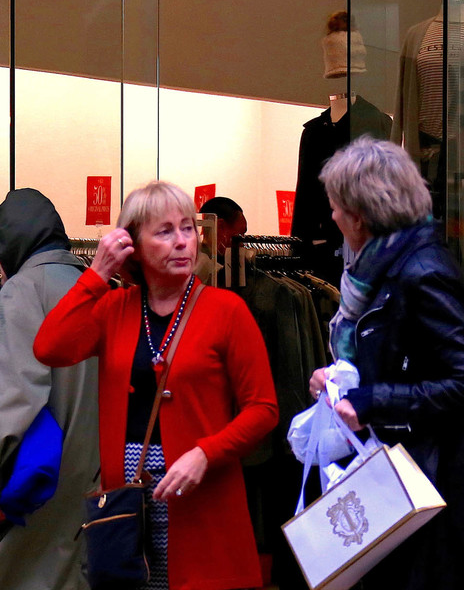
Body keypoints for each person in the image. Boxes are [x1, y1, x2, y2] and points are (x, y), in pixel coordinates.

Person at [33, 180, 278, 590]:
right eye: (164, 232)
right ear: (133, 244)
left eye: (187, 228)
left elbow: (264, 408)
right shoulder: (114, 308)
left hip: (201, 496)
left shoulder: (227, 310)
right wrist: (97, 274)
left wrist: (205, 453)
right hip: (129, 499)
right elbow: (49, 347)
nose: (183, 242)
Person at [308, 135, 464, 590]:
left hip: (427, 485)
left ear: (360, 214)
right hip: (397, 474)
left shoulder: (422, 271)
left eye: (336, 205)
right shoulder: (376, 273)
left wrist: (373, 400)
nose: (332, 216)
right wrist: (339, 381)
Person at [0, 189, 99, 590]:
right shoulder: (95, 288)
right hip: (88, 487)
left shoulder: (22, 290)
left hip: (32, 487)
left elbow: (10, 393)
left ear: (13, 243)